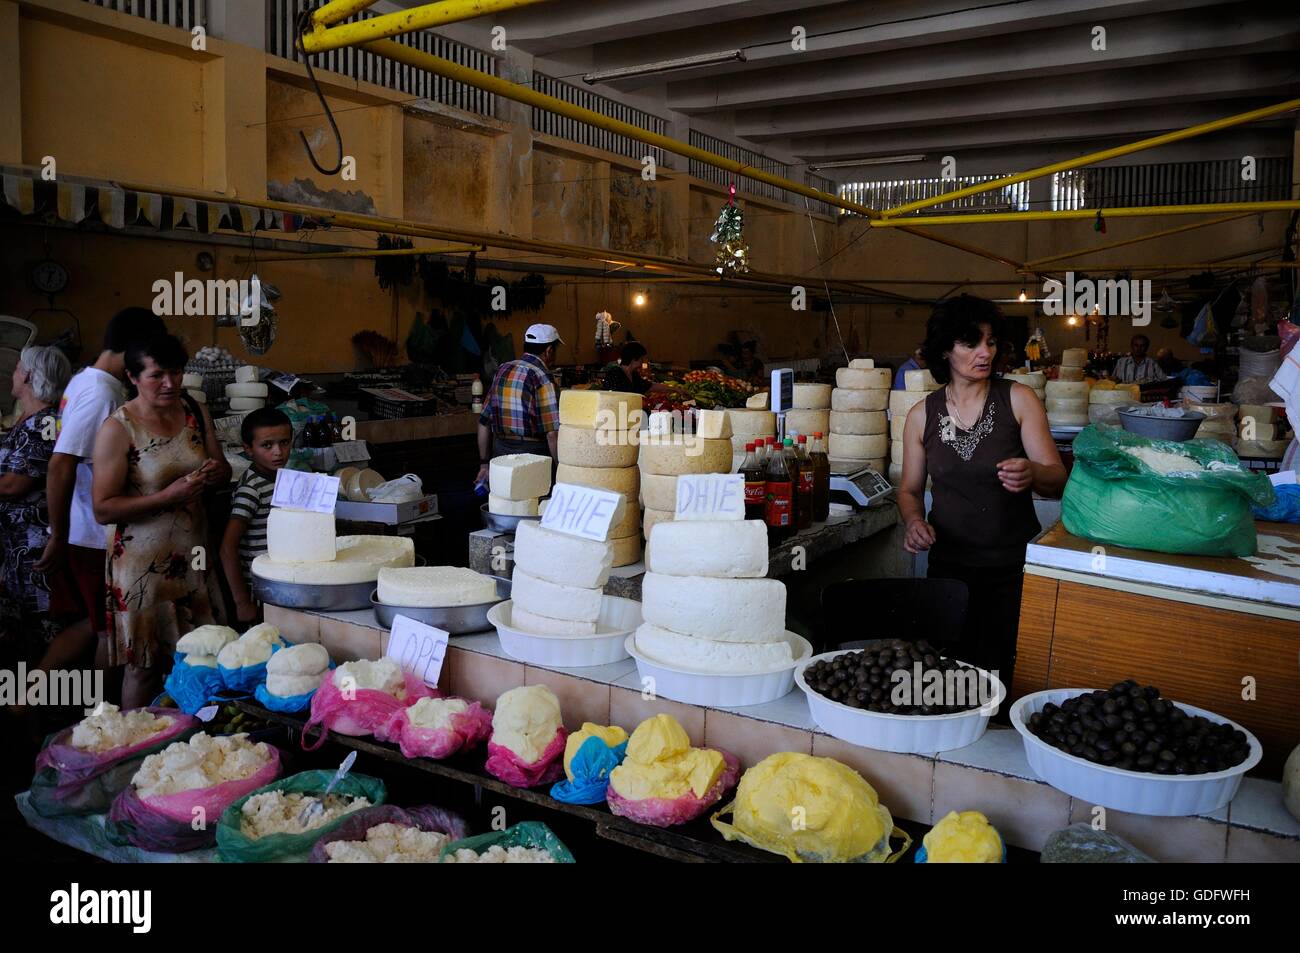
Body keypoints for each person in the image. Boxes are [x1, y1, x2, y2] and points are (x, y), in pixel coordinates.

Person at [897, 295, 1067, 690]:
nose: (984, 353)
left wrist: (1033, 473)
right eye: (971, 343)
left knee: (1005, 675)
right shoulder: (922, 415)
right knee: (952, 678)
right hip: (949, 570)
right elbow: (908, 490)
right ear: (944, 349)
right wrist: (914, 521)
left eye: (990, 342)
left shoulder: (1019, 399)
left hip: (1012, 569)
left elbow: (1057, 478)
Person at [92, 334, 230, 707]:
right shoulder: (118, 429)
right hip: (143, 567)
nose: (169, 383)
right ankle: (135, 750)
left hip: (194, 556)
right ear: (133, 378)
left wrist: (216, 474)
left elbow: (222, 469)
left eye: (176, 372)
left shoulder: (194, 409)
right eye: (157, 375)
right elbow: (103, 508)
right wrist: (166, 497)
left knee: (204, 655)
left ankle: (193, 741)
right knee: (144, 666)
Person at [35, 307, 167, 678]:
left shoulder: (87, 380)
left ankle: (27, 701)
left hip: (83, 529)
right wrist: (58, 535)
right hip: (92, 535)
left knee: (91, 625)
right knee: (110, 633)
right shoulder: (99, 392)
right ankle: (96, 718)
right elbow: (61, 463)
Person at [0, 346, 72, 664]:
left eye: (17, 369)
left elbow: (16, 483)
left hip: (36, 547)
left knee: (47, 627)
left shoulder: (44, 424)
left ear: (28, 376)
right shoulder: (26, 422)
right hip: (18, 548)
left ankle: (49, 704)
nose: (13, 375)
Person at [220, 408, 293, 626]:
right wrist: (242, 602)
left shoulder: (284, 479)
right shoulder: (251, 489)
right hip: (261, 590)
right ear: (248, 449)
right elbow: (227, 548)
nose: (278, 452)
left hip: (283, 580)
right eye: (267, 445)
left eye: (285, 442)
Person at [475, 323, 563, 485]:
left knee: (507, 506)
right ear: (549, 350)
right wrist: (561, 471)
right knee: (536, 505)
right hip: (532, 455)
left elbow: (484, 423)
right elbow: (552, 434)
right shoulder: (543, 377)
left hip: (500, 452)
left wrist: (484, 464)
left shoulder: (503, 369)